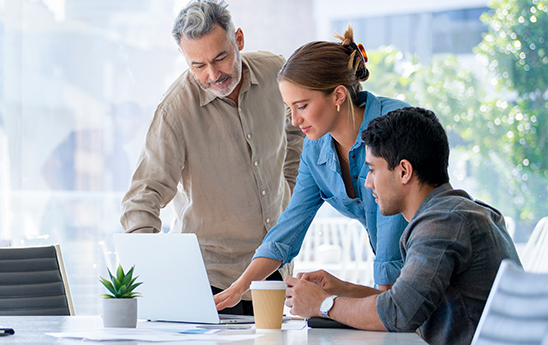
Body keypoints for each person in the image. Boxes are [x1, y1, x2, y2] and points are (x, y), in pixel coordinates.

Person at [120, 0, 304, 315]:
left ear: (239, 40)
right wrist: (156, 277)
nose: (213, 74)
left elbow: (296, 129)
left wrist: (287, 184)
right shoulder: (175, 111)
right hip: (210, 282)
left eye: (221, 57)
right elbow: (142, 199)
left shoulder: (276, 71)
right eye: (198, 65)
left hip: (272, 270)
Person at [285, 107, 521, 345]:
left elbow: (399, 313)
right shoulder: (456, 212)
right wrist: (340, 289)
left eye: (373, 169)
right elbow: (405, 302)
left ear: (404, 171)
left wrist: (323, 304)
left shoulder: (443, 222)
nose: (367, 183)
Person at [215, 26, 409, 311]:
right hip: (401, 288)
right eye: (289, 108)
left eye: (302, 106)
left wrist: (363, 306)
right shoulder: (316, 149)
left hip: (433, 271)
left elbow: (391, 237)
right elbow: (288, 228)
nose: (294, 121)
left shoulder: (393, 126)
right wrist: (238, 288)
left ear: (339, 95)